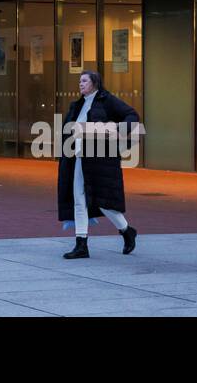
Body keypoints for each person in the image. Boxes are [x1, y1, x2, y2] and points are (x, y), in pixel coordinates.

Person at [57, 69, 140, 259]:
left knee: (103, 202)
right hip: (77, 158)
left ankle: (126, 230)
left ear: (94, 83)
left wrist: (119, 131)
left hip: (100, 160)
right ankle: (81, 245)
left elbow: (132, 115)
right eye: (79, 81)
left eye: (84, 81)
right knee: (78, 199)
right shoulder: (77, 105)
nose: (80, 84)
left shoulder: (107, 100)